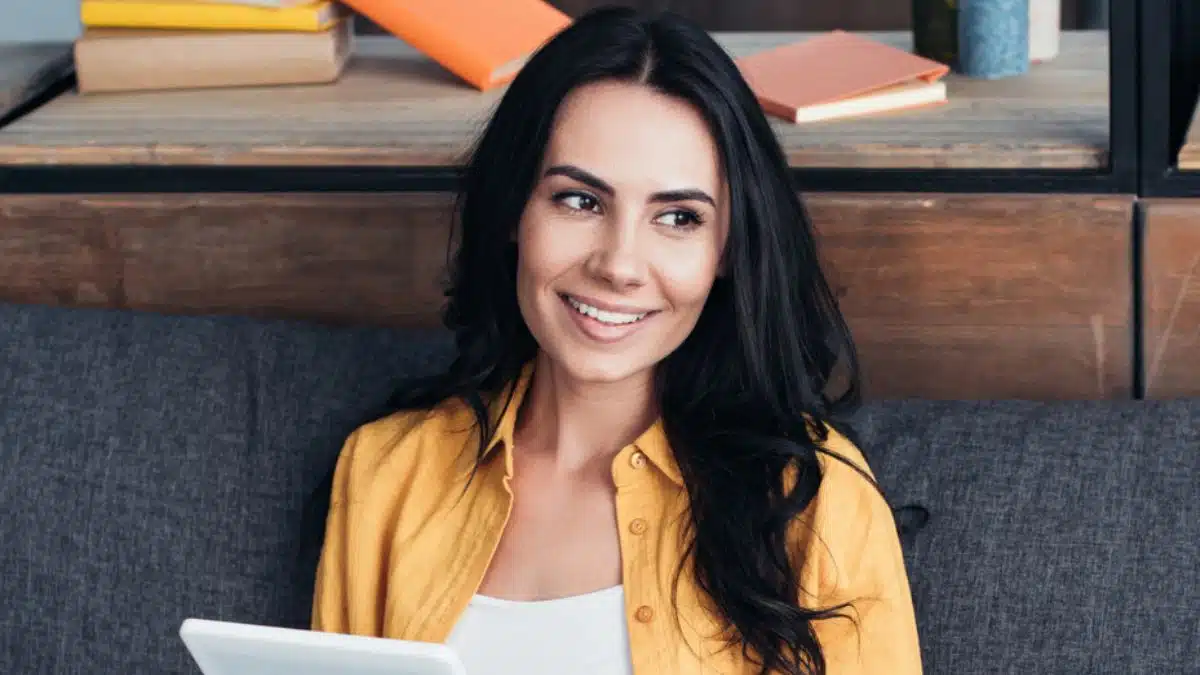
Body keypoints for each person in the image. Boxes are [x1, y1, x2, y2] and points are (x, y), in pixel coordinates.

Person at [310, 6, 922, 675]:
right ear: (516, 208)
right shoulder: (385, 474)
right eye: (580, 201)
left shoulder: (815, 499)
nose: (619, 265)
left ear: (727, 250)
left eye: (678, 217)